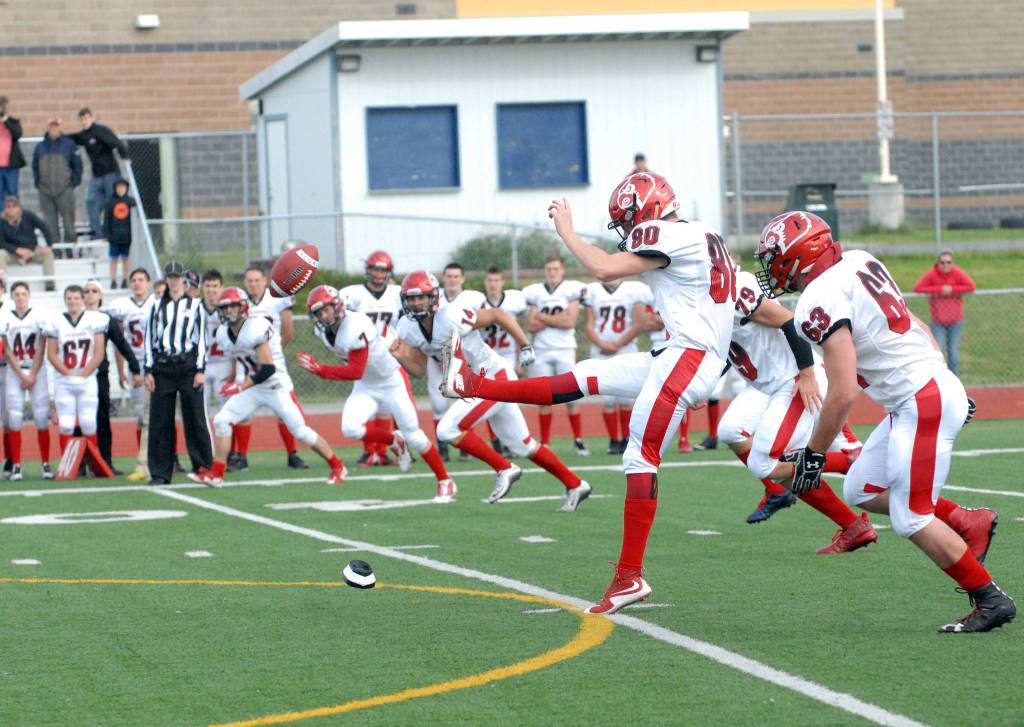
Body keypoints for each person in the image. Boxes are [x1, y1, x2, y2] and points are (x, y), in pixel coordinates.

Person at [443, 172, 735, 613]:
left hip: (689, 356)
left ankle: (628, 578)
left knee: (639, 456)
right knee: (586, 375)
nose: (628, 230)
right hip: (681, 353)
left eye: (629, 219)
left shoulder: (670, 233)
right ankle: (476, 385)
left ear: (648, 208)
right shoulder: (703, 234)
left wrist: (566, 233)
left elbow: (603, 267)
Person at [757, 210, 1014, 633]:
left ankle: (990, 599)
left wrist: (814, 455)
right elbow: (912, 324)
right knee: (861, 487)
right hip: (923, 392)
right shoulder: (860, 260)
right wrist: (946, 376)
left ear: (797, 256)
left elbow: (842, 393)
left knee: (911, 518)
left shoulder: (817, 298)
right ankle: (970, 521)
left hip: (921, 399)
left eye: (774, 258)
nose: (771, 268)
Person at [395, 271, 591, 511]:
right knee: (523, 445)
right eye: (411, 299)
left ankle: (504, 468)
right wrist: (400, 357)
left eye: (421, 298)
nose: (416, 304)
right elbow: (418, 370)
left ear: (434, 297)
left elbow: (497, 315)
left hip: (492, 377)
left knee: (447, 429)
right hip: (477, 384)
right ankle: (575, 484)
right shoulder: (407, 328)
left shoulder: (451, 315)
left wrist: (524, 345)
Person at [716, 268, 874, 551]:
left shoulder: (732, 288)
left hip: (792, 380)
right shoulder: (702, 295)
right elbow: (728, 348)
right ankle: (794, 493)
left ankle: (850, 468)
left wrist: (807, 374)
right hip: (765, 383)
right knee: (732, 431)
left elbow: (789, 322)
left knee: (771, 463)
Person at [299, 284, 455, 501]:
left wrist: (320, 370)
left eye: (327, 309)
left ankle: (444, 480)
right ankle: (393, 441)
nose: (324, 316)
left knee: (415, 436)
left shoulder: (356, 324)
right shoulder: (322, 331)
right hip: (366, 385)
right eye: (319, 312)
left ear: (338, 306)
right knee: (350, 428)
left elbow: (355, 370)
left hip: (391, 380)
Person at [189, 287, 346, 487]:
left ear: (243, 307)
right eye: (224, 307)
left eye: (233, 307)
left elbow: (268, 368)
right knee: (222, 420)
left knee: (300, 430)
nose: (228, 311)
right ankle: (217, 474)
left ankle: (338, 465)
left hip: (275, 385)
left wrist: (240, 386)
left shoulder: (256, 327)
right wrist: (233, 379)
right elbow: (239, 357)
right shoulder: (222, 333)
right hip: (254, 387)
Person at [231, 265, 307, 470]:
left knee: (285, 410)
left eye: (257, 280)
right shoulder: (239, 302)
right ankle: (242, 457)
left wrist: (275, 353)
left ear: (264, 281)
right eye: (249, 281)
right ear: (245, 282)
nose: (253, 284)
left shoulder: (276, 299)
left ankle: (293, 454)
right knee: (242, 411)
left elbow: (288, 329)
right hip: (247, 364)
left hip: (273, 364)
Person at [143, 260, 212, 485]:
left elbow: (201, 338)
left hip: (187, 366)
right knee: (160, 421)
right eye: (170, 277)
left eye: (177, 277)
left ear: (183, 278)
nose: (173, 281)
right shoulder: (155, 305)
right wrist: (148, 370)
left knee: (195, 417)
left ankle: (203, 466)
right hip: (163, 367)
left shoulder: (195, 306)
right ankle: (161, 472)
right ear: (166, 279)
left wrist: (200, 368)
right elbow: (149, 339)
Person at [340, 250, 404, 467]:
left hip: (389, 358)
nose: (378, 274)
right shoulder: (353, 294)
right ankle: (369, 452)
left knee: (386, 408)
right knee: (366, 406)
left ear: (389, 272)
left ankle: (382, 452)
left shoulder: (397, 294)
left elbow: (406, 323)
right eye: (375, 269)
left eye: (382, 269)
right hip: (363, 358)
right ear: (368, 270)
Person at [523, 253, 589, 455]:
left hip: (565, 349)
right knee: (543, 398)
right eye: (549, 269)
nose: (552, 272)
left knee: (572, 397)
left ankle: (578, 440)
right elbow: (532, 326)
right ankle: (546, 442)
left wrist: (542, 316)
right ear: (545, 270)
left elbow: (569, 322)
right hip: (542, 350)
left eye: (556, 269)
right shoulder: (535, 292)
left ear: (562, 270)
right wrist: (556, 318)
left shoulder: (571, 290)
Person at [582, 277, 649, 455]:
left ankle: (627, 438)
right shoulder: (593, 290)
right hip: (600, 348)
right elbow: (588, 326)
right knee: (608, 398)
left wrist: (617, 344)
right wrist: (602, 344)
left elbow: (638, 323)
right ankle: (614, 440)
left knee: (626, 398)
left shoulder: (633, 289)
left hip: (625, 347)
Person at [83, 279, 141, 473]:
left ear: (100, 296)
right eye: (87, 291)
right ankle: (80, 463)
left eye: (94, 291)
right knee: (80, 420)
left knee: (102, 418)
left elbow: (122, 345)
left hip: (99, 374)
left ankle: (105, 461)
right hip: (78, 376)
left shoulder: (106, 319)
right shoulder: (73, 317)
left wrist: (135, 367)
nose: (90, 294)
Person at [45, 285, 106, 459]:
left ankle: (92, 463)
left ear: (83, 300)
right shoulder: (56, 321)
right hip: (64, 380)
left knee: (89, 423)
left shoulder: (94, 320)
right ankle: (67, 462)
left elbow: (99, 353)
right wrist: (68, 373)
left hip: (87, 379)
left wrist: (85, 373)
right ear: (65, 300)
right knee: (66, 425)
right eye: (69, 298)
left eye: (76, 298)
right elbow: (51, 353)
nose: (73, 302)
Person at [0, 282, 53, 480]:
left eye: (23, 294)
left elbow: (42, 347)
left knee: (41, 417)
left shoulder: (40, 315)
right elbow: (7, 349)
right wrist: (22, 375)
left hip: (36, 370)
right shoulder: (4, 316)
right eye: (17, 294)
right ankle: (16, 465)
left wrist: (32, 373)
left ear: (29, 295)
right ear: (12, 297)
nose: (20, 298)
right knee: (14, 418)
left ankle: (46, 463)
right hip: (15, 372)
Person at [109, 267, 154, 481]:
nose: (137, 283)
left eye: (141, 279)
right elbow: (119, 343)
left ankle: (161, 458)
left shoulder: (157, 303)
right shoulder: (122, 307)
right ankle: (142, 459)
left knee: (156, 415)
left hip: (156, 365)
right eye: (134, 280)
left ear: (149, 282)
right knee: (140, 415)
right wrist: (122, 369)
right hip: (135, 363)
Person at [480, 266, 528, 453]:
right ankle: (497, 443)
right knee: (488, 400)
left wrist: (518, 361)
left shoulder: (513, 301)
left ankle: (512, 441)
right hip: (485, 358)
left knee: (508, 402)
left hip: (507, 355)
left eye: (496, 280)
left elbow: (517, 332)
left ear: (502, 282)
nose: (493, 284)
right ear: (485, 282)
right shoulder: (478, 303)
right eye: (490, 280)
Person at [68, 108, 130, 240]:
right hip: (97, 175)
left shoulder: (101, 130)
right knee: (91, 201)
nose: (84, 122)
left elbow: (115, 142)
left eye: (86, 118)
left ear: (91, 118)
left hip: (110, 174)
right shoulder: (84, 136)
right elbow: (73, 138)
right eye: (82, 119)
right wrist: (57, 137)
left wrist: (124, 155)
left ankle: (113, 231)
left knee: (111, 202)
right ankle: (97, 232)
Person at [913, 252, 975, 375]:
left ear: (952, 263)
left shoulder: (957, 273)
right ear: (938, 263)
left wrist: (952, 289)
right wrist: (939, 289)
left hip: (955, 321)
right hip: (938, 322)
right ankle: (940, 380)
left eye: (948, 262)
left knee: (953, 354)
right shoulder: (932, 274)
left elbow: (971, 286)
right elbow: (918, 288)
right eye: (942, 262)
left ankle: (954, 381)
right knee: (938, 353)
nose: (945, 265)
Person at [32, 116, 82, 251]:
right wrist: (38, 184)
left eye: (56, 126)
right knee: (50, 225)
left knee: (69, 224)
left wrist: (72, 184)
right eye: (51, 126)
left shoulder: (69, 144)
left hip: (65, 190)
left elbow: (77, 166)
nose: (54, 128)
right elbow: (35, 167)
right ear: (48, 127)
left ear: (60, 127)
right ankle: (55, 252)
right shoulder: (40, 146)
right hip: (45, 192)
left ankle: (71, 252)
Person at [0, 196, 57, 290]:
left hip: (32, 250)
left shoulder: (28, 216)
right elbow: (1, 242)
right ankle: (2, 286)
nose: (11, 208)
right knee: (0, 255)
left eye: (14, 206)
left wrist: (49, 245)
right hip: (12, 253)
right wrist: (17, 250)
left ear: (19, 207)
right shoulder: (1, 221)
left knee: (48, 254)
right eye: (8, 206)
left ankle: (50, 285)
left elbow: (44, 227)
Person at [101, 177, 136, 289]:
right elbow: (106, 219)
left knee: (126, 258)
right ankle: (113, 279)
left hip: (127, 236)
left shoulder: (130, 201)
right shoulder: (110, 202)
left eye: (123, 187)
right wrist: (106, 234)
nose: (121, 189)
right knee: (114, 259)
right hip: (114, 236)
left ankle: (125, 279)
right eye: (119, 187)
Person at [0, 97, 26, 200]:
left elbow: (17, 134)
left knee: (12, 193)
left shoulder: (13, 122)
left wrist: (6, 121)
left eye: (4, 107)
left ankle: (15, 215)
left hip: (11, 166)